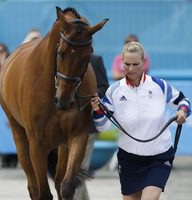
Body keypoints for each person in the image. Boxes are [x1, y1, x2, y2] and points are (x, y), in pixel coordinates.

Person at [91, 42, 191, 200]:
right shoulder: (114, 91)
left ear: (144, 62)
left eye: (136, 64)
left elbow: (183, 100)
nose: (131, 69)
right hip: (129, 159)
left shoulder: (159, 85)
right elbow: (102, 127)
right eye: (127, 64)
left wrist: (182, 111)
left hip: (159, 157)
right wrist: (97, 110)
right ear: (121, 62)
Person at [47, 53, 109, 200]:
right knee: (69, 174)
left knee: (75, 173)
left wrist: (88, 97)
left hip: (85, 128)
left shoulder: (94, 60)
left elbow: (103, 87)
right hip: (62, 129)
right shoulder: (59, 61)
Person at [0, 43, 18, 168]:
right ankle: (3, 156)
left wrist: (3, 62)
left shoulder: (12, 61)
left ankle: (15, 156)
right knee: (0, 129)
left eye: (1, 50)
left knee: (12, 127)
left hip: (11, 102)